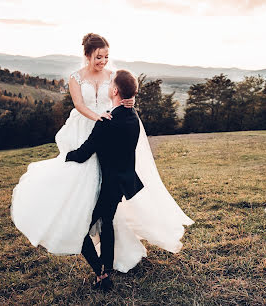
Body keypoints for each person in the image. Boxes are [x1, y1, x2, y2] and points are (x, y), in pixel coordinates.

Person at [10, 33, 194, 285]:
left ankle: (100, 263)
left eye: (107, 56)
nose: (103, 61)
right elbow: (78, 105)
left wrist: (113, 114)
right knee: (85, 192)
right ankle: (101, 259)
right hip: (90, 127)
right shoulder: (76, 78)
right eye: (99, 57)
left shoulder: (113, 79)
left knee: (103, 205)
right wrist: (97, 117)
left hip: (108, 130)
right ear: (87, 55)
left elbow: (124, 95)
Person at [65, 69, 144, 290]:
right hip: (120, 184)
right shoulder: (133, 117)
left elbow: (82, 154)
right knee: (106, 222)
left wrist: (64, 157)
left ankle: (101, 274)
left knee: (80, 230)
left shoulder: (106, 122)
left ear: (115, 91)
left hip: (107, 185)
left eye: (111, 85)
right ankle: (105, 272)